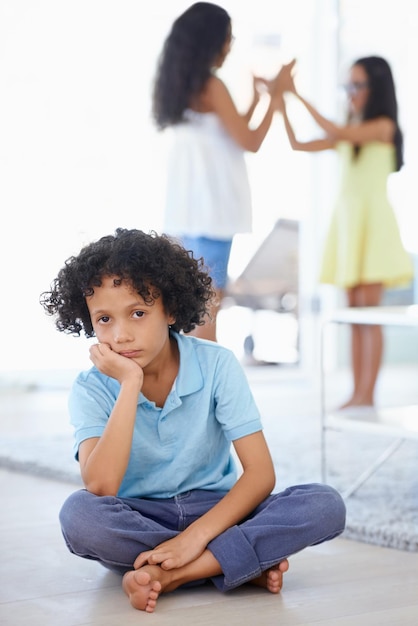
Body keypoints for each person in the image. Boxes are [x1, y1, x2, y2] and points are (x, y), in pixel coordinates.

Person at [40, 228, 346, 613]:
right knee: (79, 515)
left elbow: (260, 475)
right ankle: (230, 563)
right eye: (104, 319)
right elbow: (100, 486)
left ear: (170, 310)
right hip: (140, 517)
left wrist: (195, 537)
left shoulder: (216, 364)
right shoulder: (91, 388)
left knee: (323, 504)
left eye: (138, 312)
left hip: (218, 511)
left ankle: (172, 572)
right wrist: (130, 384)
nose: (120, 336)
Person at [276, 57, 414, 408]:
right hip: (349, 225)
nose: (351, 93)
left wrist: (295, 94)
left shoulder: (382, 126)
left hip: (373, 224)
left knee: (369, 314)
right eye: (348, 86)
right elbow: (299, 144)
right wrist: (281, 104)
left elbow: (337, 132)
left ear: (376, 87)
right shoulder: (349, 130)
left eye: (358, 85)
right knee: (354, 315)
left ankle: (368, 393)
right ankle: (357, 392)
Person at [152, 2, 292, 341]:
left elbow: (227, 130)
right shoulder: (212, 86)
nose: (230, 47)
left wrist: (260, 100)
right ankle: (206, 393)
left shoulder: (180, 86)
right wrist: (277, 97)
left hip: (187, 214)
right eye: (228, 38)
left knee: (190, 309)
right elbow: (250, 140)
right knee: (208, 311)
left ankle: (186, 390)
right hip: (212, 214)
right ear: (212, 40)